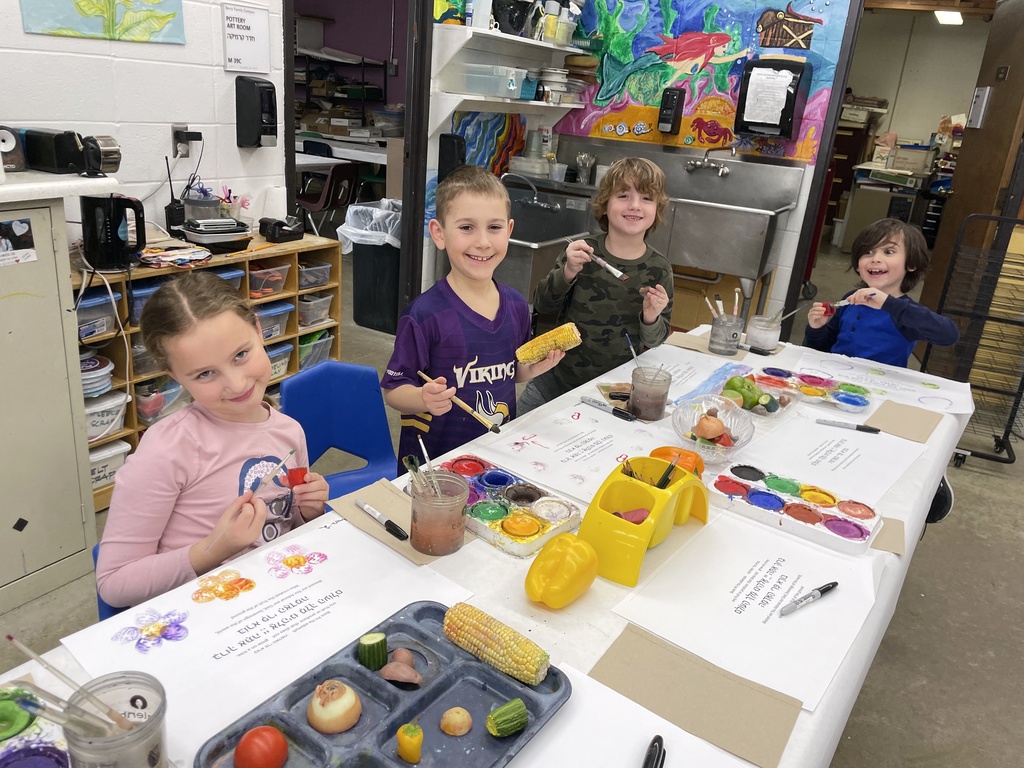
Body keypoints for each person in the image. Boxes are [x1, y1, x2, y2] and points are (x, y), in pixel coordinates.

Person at [96, 271, 329, 607]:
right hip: (203, 618)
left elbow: (288, 525)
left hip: (281, 600)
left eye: (241, 355)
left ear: (259, 330)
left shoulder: (289, 431)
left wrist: (310, 511)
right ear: (175, 376)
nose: (236, 384)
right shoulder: (166, 450)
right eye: (205, 373)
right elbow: (115, 583)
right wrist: (213, 550)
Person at [381, 165, 564, 468]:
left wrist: (530, 370)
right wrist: (422, 399)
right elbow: (393, 389)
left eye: (494, 227)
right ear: (439, 234)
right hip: (436, 469)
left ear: (509, 230)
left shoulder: (518, 306)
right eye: (467, 228)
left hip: (496, 458)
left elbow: (509, 372)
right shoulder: (424, 315)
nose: (482, 242)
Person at [517, 157, 673, 414]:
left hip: (612, 393)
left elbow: (655, 341)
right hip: (553, 381)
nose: (635, 205)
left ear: (658, 208)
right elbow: (543, 305)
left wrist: (651, 317)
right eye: (623, 195)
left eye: (646, 198)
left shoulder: (659, 268)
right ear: (605, 203)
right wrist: (567, 271)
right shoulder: (582, 252)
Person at [804, 218, 959, 367]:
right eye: (868, 252)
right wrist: (816, 329)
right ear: (858, 265)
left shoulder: (905, 312)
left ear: (911, 263)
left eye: (889, 251)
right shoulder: (849, 300)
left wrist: (889, 304)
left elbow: (949, 335)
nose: (876, 259)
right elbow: (823, 351)